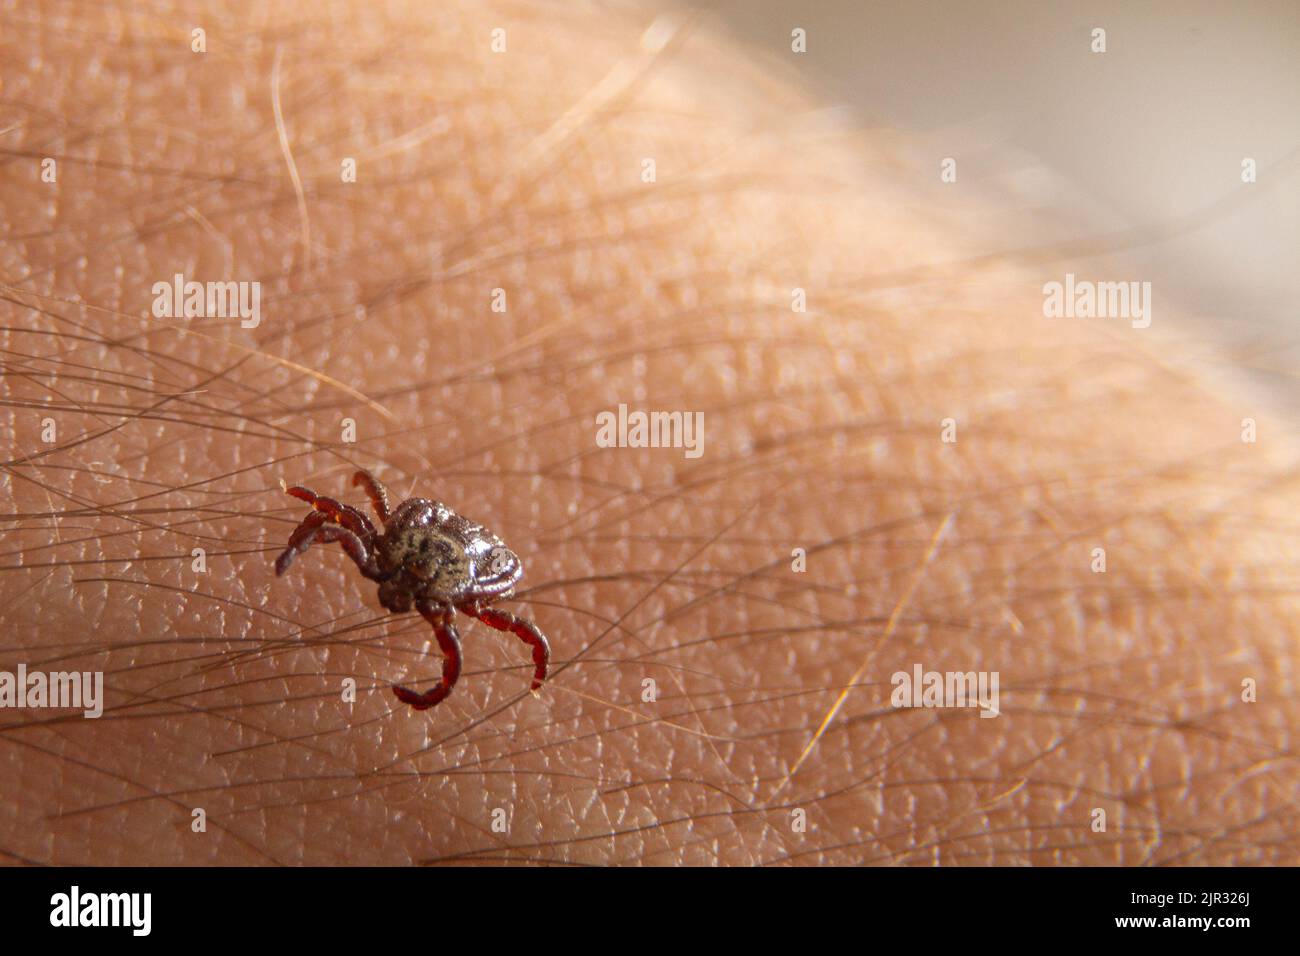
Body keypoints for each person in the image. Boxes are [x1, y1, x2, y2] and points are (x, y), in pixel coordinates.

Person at [1, 0, 1295, 866]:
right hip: (467, 549)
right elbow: (371, 521)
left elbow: (482, 621)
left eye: (396, 569)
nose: (385, 574)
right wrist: (360, 558)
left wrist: (429, 640)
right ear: (393, 545)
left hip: (475, 553)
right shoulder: (404, 553)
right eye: (379, 552)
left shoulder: (453, 595)